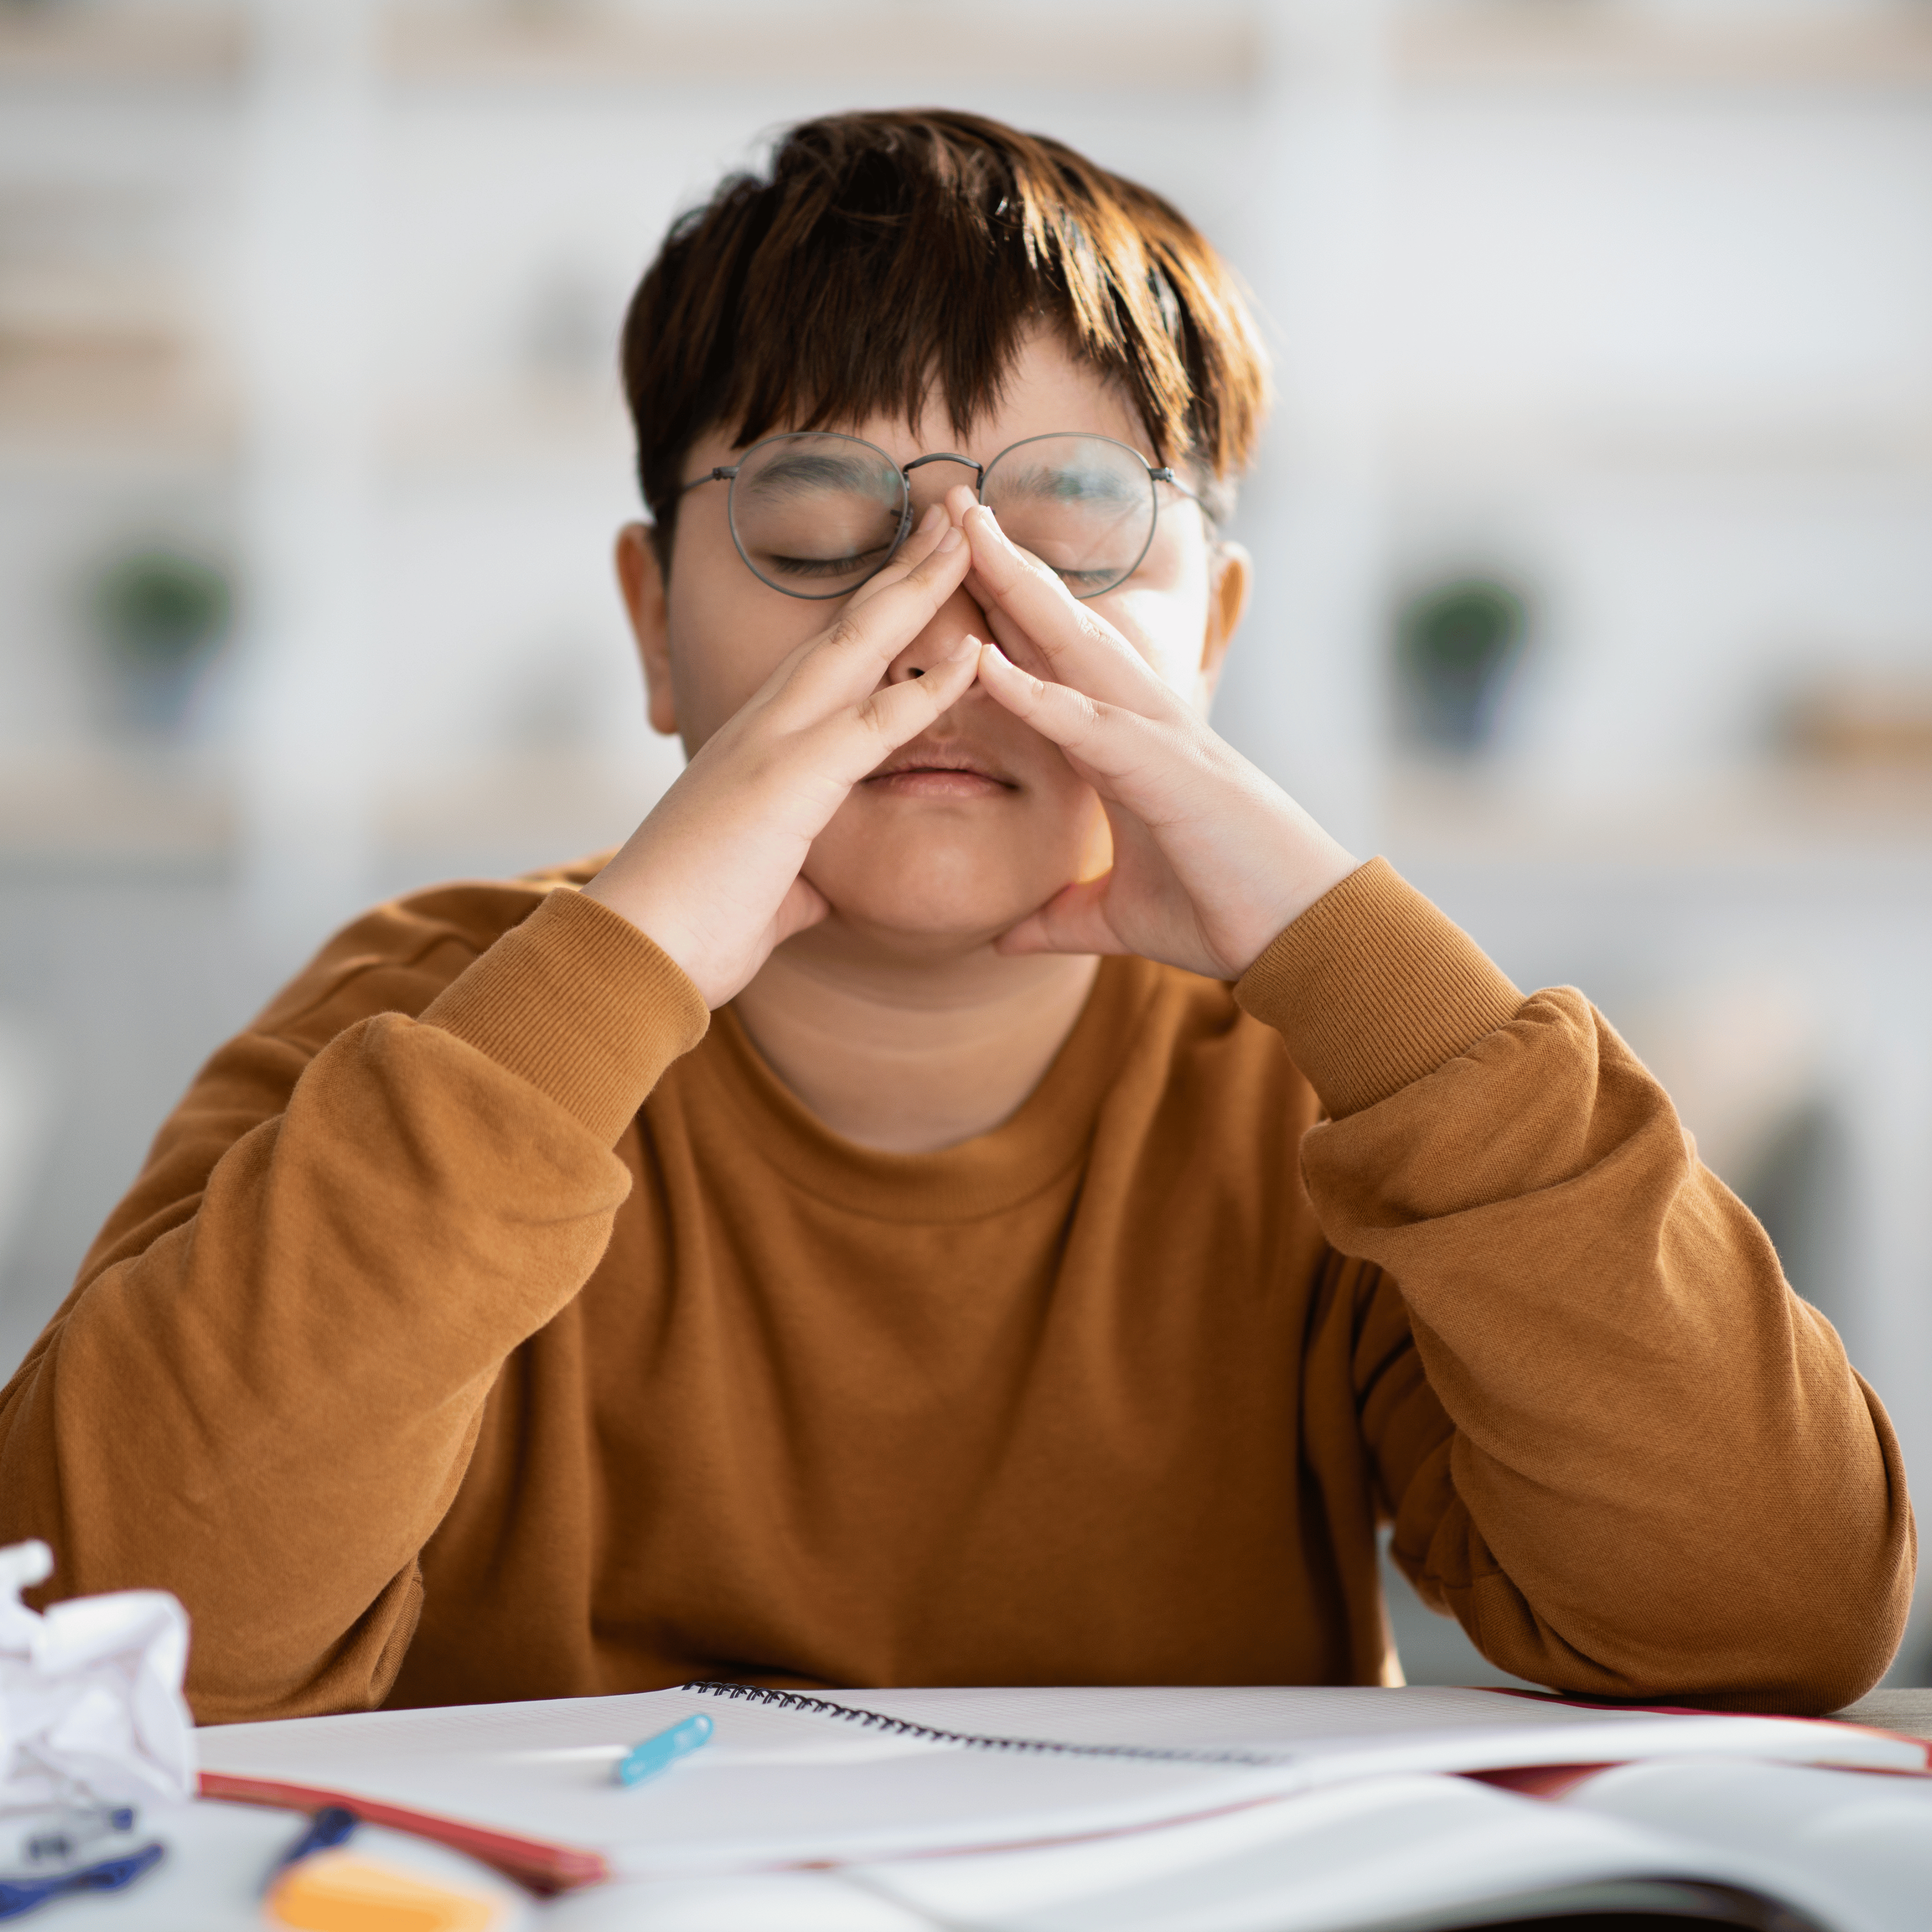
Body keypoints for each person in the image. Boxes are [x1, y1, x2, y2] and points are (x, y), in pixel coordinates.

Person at [0, 111, 1910, 1725]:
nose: (934, 617)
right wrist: (625, 960)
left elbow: (1779, 1618)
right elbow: (95, 1645)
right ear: (654, 624)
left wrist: (1348, 949)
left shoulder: (1335, 1094)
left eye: (1069, 528)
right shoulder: (430, 1020)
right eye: (819, 529)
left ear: (1212, 641)